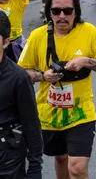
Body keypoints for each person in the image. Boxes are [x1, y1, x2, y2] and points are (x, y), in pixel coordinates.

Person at [18, 0, 96, 179]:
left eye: (68, 11)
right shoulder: (38, 36)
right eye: (56, 11)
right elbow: (21, 73)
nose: (62, 16)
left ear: (76, 11)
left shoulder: (88, 31)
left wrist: (86, 61)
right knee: (61, 159)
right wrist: (43, 76)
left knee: (77, 169)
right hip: (49, 113)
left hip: (81, 113)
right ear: (49, 13)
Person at [0, 11, 43, 179]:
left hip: (8, 159)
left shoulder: (18, 78)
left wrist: (34, 168)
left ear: (6, 42)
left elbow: (32, 125)